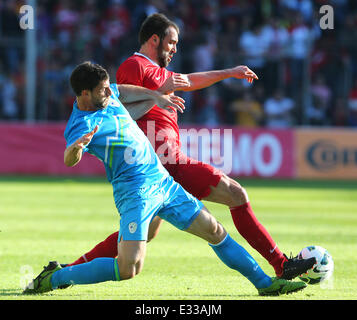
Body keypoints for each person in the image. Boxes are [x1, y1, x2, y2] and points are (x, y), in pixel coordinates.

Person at [64, 13, 315, 280]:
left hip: (160, 166)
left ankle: (67, 271)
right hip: (164, 160)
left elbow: (190, 80)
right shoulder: (135, 66)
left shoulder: (156, 70)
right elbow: (120, 113)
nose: (174, 49)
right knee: (236, 194)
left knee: (143, 233)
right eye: (171, 42)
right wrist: (161, 90)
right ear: (154, 39)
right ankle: (279, 264)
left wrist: (228, 72)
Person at [23, 61, 308, 296]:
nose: (110, 92)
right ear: (85, 94)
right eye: (103, 90)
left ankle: (267, 284)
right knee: (128, 268)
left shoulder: (109, 96)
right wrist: (77, 148)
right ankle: (58, 277)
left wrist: (154, 96)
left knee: (215, 231)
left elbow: (123, 89)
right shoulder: (80, 125)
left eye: (109, 86)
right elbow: (68, 159)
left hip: (163, 182)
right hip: (135, 193)